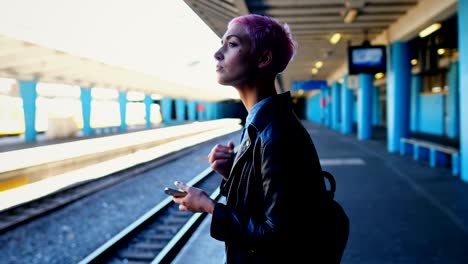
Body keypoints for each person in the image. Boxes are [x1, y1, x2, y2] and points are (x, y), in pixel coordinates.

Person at [172, 14, 349, 263]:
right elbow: (268, 201)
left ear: (263, 59)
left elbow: (278, 236)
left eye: (232, 44)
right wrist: (232, 172)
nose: (217, 54)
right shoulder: (262, 123)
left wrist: (209, 207)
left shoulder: (276, 133)